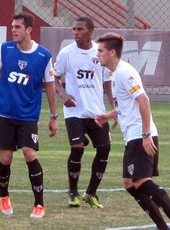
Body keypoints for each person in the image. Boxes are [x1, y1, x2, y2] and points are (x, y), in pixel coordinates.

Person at [95, 32, 170, 230]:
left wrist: (146, 135)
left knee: (140, 181)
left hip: (140, 135)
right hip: (134, 136)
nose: (98, 54)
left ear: (112, 52)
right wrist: (110, 115)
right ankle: (165, 227)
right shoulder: (115, 74)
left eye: (101, 51)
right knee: (129, 182)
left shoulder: (124, 72)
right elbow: (126, 104)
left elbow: (143, 100)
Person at [0, 12, 58, 218]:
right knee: (6, 159)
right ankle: (4, 197)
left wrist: (54, 117)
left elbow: (50, 87)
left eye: (17, 27)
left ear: (28, 30)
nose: (13, 30)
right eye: (12, 27)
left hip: (28, 116)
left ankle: (39, 205)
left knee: (29, 153)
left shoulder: (44, 56)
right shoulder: (4, 49)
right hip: (5, 114)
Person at [54, 17, 117, 209]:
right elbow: (54, 78)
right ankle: (73, 192)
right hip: (74, 111)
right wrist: (63, 95)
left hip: (96, 111)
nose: (75, 32)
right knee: (77, 147)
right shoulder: (66, 53)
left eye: (79, 29)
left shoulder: (100, 52)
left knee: (105, 148)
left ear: (91, 31)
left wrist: (113, 106)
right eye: (73, 29)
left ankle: (91, 192)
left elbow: (107, 82)